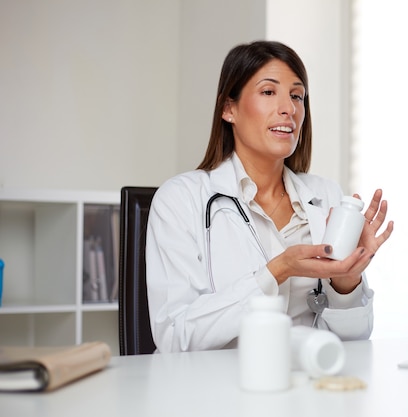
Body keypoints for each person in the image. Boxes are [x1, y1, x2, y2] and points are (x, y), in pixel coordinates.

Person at [145, 40, 394, 353]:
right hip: (212, 392)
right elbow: (174, 337)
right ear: (228, 108)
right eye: (268, 92)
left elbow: (355, 341)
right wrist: (277, 271)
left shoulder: (325, 197)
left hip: (306, 390)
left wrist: (347, 281)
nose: (288, 108)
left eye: (296, 96)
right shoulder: (180, 200)